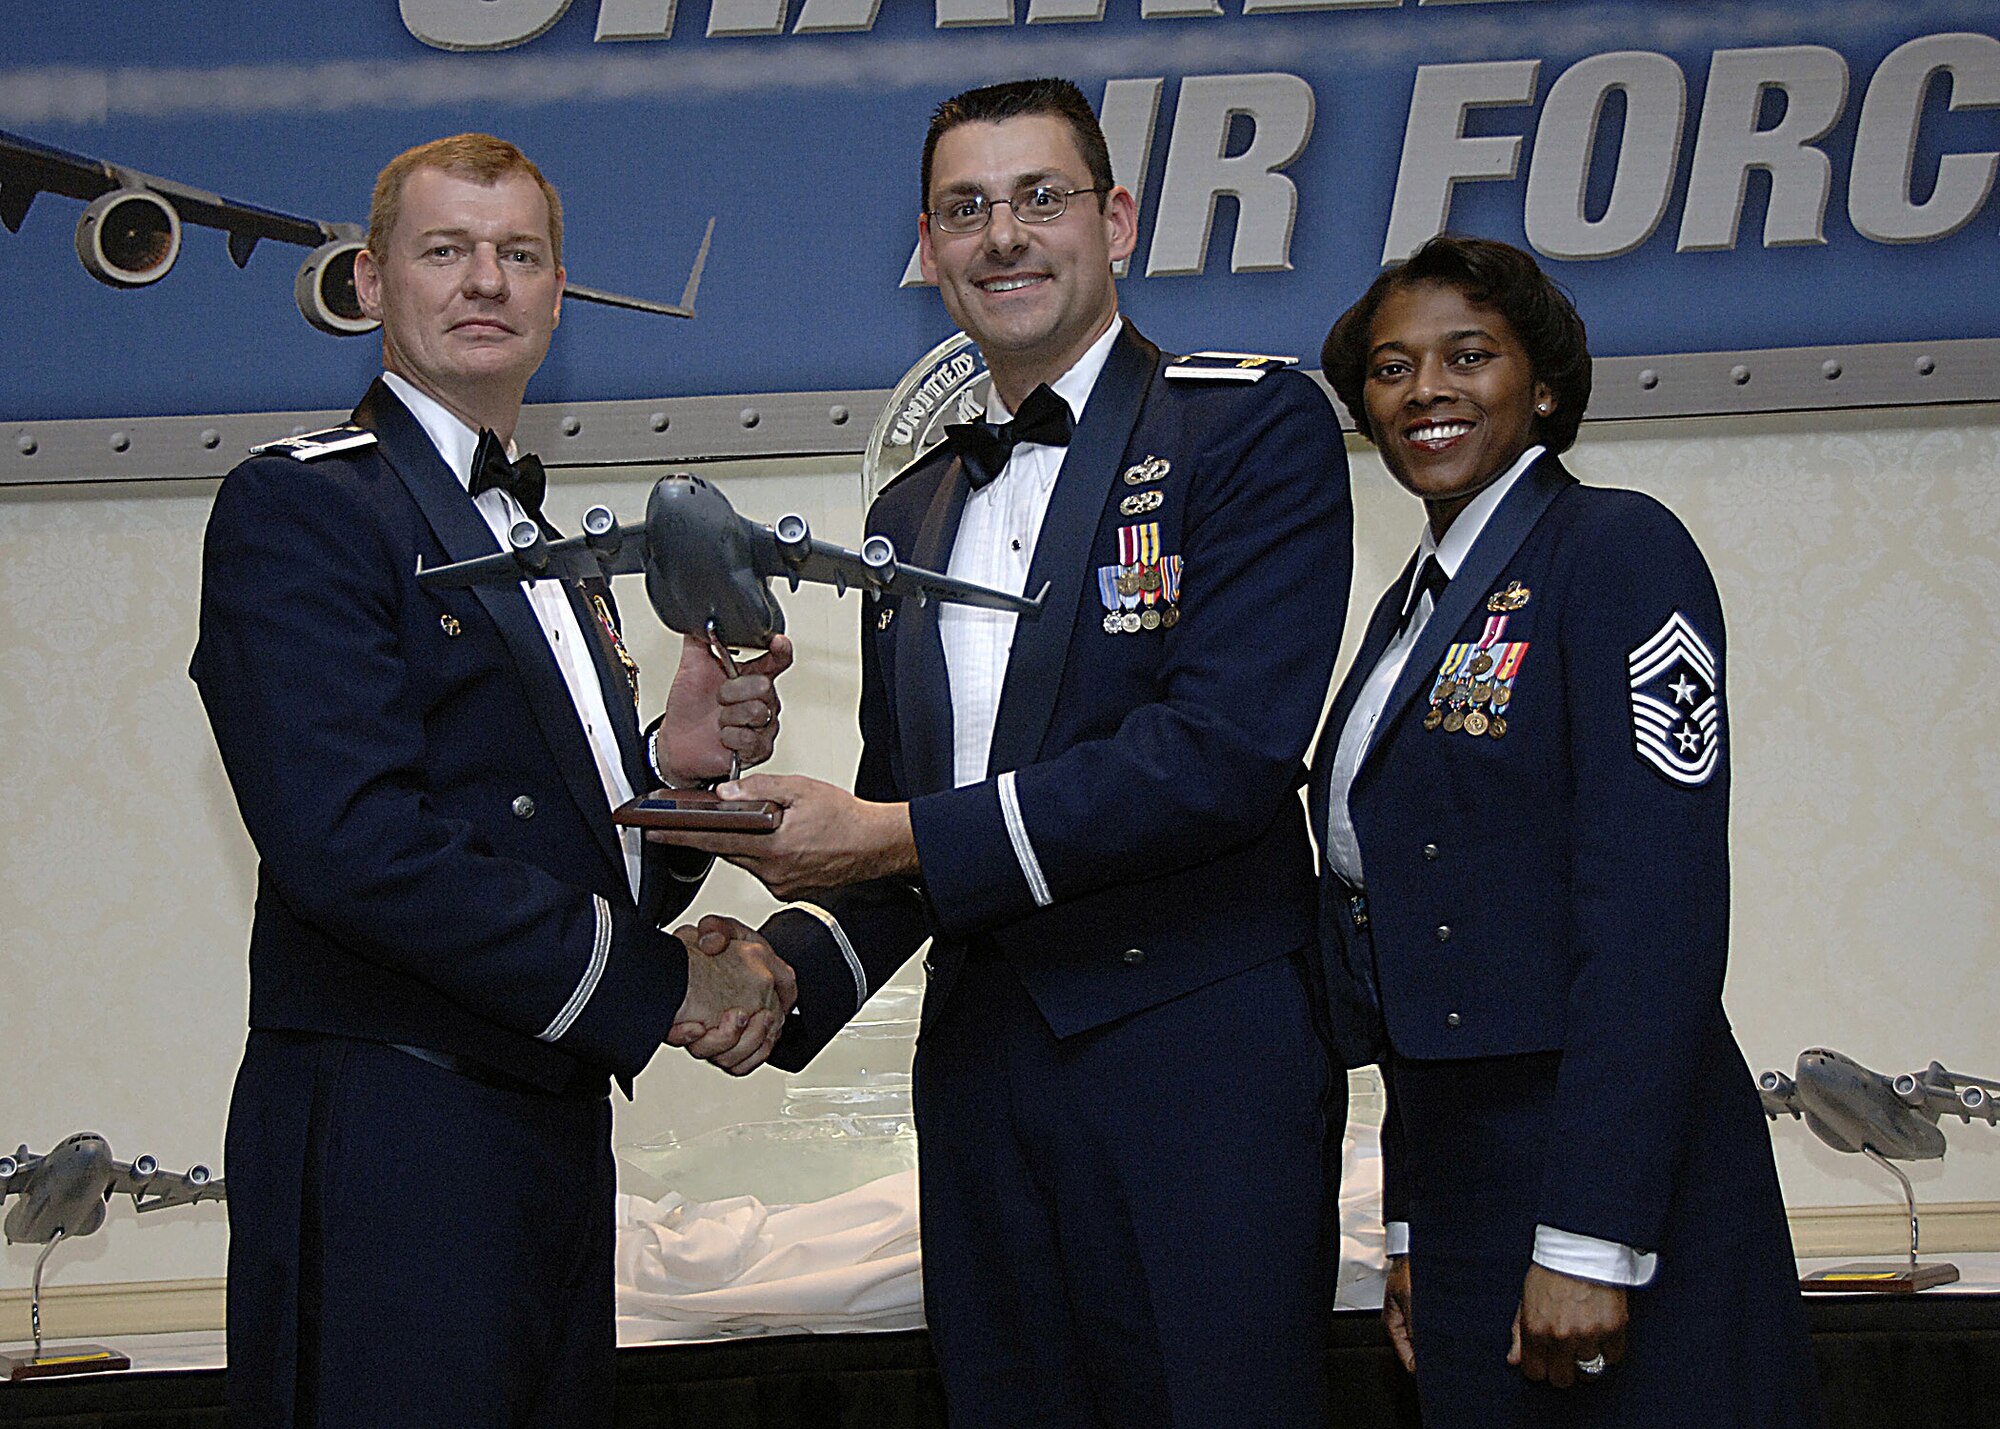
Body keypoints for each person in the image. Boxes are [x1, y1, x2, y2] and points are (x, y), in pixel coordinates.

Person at [664, 78, 1353, 1428]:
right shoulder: (911, 504)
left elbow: (1216, 756)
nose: (1005, 238)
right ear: (929, 249)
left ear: (1119, 219)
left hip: (1194, 1066)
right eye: (968, 210)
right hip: (983, 1084)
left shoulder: (1245, 426)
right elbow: (906, 828)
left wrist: (891, 835)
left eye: (1041, 198)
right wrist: (775, 970)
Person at [190, 133, 793, 1427]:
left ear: (557, 296)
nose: (486, 281)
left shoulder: (538, 545)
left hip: (546, 1127)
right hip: (395, 1126)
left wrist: (671, 775)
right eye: (446, 250)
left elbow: (563, 849)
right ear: (368, 282)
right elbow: (352, 846)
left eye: (519, 254)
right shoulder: (302, 506)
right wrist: (667, 983)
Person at [1310, 233, 1824, 1425]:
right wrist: (1406, 1225)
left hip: (1611, 1173)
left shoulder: (1614, 550)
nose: (1423, 390)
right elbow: (1401, 942)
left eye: (1466, 355)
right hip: (1462, 1179)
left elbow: (1654, 918)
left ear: (1540, 386)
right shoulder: (1408, 611)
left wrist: (1592, 1235)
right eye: (1389, 369)